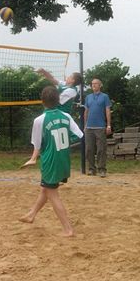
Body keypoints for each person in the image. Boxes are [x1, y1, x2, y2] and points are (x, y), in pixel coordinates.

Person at [19, 85, 83, 236]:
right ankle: (31, 215)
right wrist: (66, 141)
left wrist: (33, 158)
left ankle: (68, 229)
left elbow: (37, 143)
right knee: (46, 188)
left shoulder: (40, 120)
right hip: (63, 159)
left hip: (50, 161)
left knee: (52, 194)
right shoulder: (66, 116)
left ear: (42, 101)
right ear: (58, 100)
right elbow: (80, 135)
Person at [84, 77, 112, 177]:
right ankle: (91, 169)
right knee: (89, 149)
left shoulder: (105, 97)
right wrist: (85, 125)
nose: (93, 85)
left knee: (101, 149)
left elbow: (107, 111)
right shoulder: (88, 97)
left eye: (95, 83)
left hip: (100, 127)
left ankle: (102, 169)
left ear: (100, 85)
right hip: (89, 128)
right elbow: (86, 111)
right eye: (92, 84)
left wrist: (108, 125)